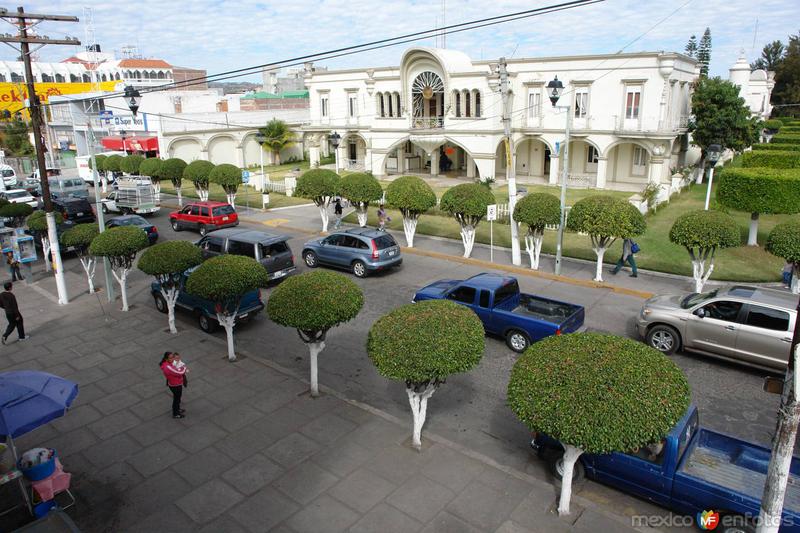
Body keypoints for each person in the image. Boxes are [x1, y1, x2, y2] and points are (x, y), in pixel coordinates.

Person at [160, 352, 187, 419]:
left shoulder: (167, 363)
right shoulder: (168, 367)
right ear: (166, 359)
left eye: (173, 357)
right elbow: (180, 373)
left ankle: (177, 409)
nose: (173, 359)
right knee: (176, 399)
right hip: (175, 385)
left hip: (173, 383)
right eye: (171, 358)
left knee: (177, 398)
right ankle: (176, 414)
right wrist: (184, 367)